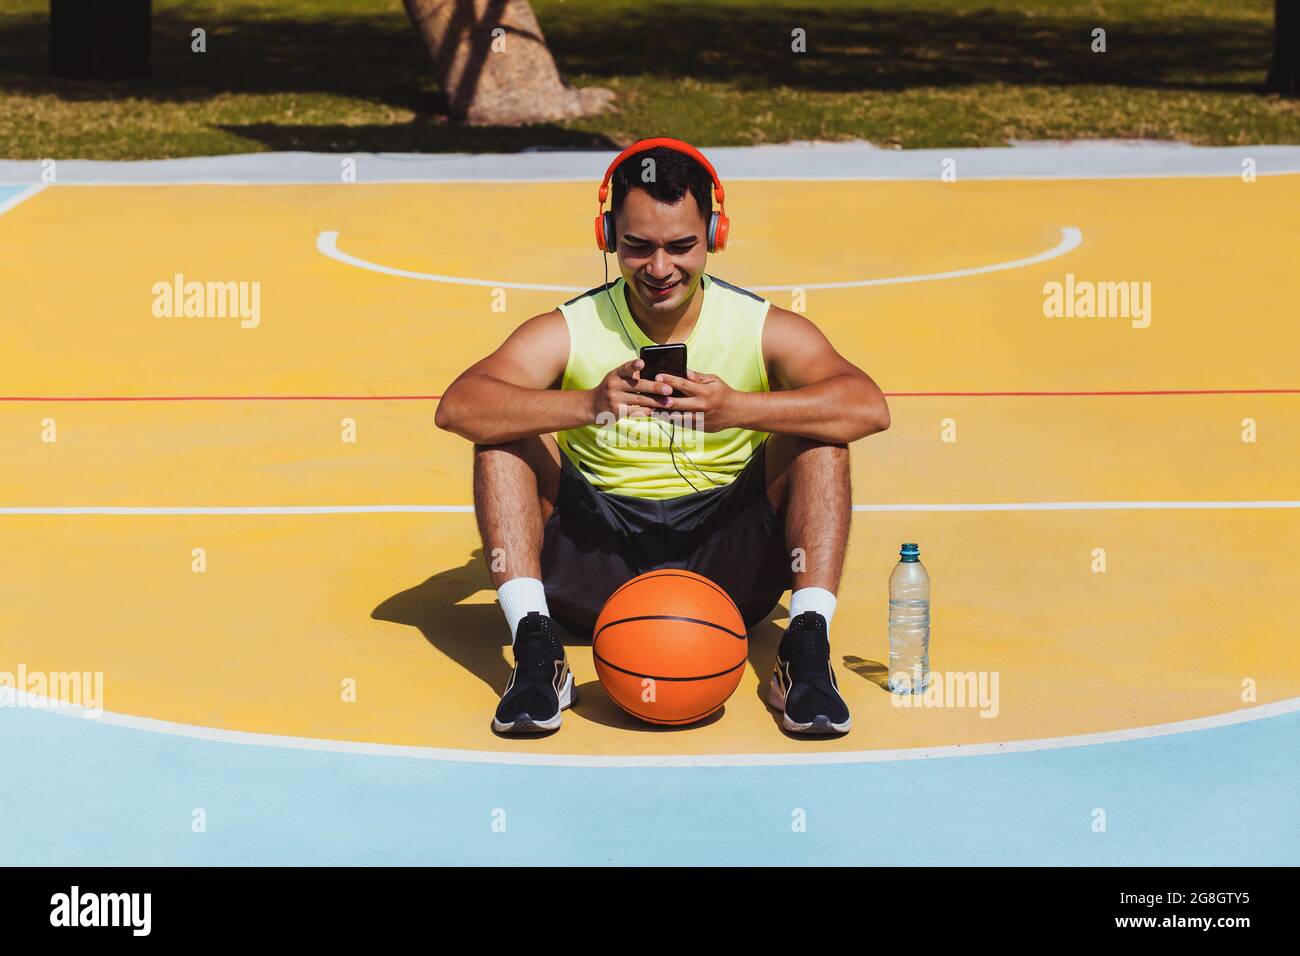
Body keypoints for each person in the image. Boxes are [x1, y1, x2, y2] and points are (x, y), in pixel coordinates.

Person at [435, 138, 890, 735]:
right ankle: (535, 649)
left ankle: (806, 649)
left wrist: (741, 409)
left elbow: (868, 407)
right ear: (607, 237)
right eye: (637, 247)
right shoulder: (571, 326)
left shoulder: (760, 325)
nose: (659, 269)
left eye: (681, 246)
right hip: (598, 556)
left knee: (821, 435)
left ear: (716, 235)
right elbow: (458, 407)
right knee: (501, 435)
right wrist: (587, 404)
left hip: (726, 564)